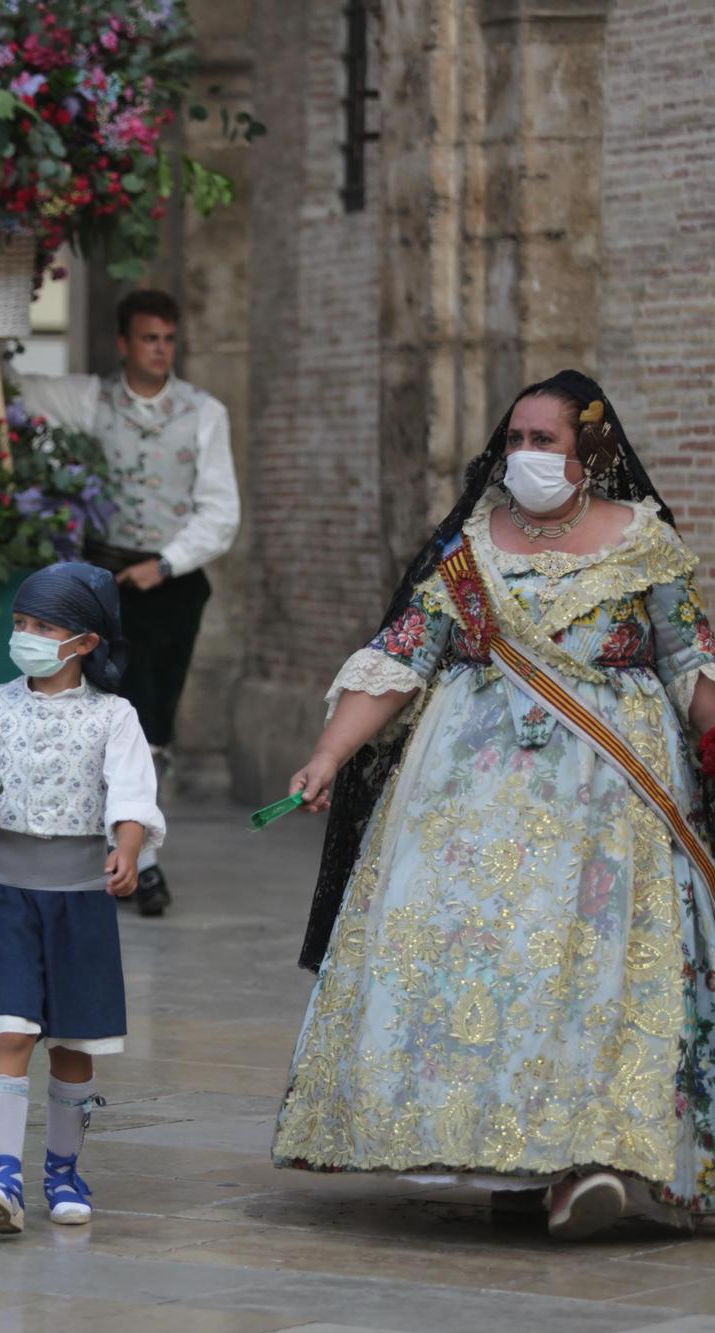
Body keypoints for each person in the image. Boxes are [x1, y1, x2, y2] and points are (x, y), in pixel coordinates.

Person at [274, 371, 715, 1240]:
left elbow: (691, 665)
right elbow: (403, 658)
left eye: (543, 442)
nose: (524, 457)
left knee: (592, 971)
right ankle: (511, 1156)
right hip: (465, 808)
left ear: (590, 452)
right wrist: (327, 754)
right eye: (514, 440)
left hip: (610, 801)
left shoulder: (644, 546)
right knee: (486, 966)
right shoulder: (468, 551)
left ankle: (590, 1155)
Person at [0, 563, 163, 1235]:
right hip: (8, 894)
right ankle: (1, 1170)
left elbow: (130, 792)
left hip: (81, 899)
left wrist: (125, 848)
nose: (26, 637)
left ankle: (62, 1167)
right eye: (21, 624)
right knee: (8, 1029)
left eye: (43, 627)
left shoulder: (113, 716)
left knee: (72, 1043)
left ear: (86, 641)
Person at [28, 289, 238, 917]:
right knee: (98, 711)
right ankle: (122, 858)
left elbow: (221, 510)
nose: (161, 350)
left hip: (169, 584)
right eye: (149, 338)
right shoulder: (91, 400)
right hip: (99, 579)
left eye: (169, 339)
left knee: (153, 724)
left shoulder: (204, 412)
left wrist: (167, 563)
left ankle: (137, 854)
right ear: (125, 343)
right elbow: (13, 389)